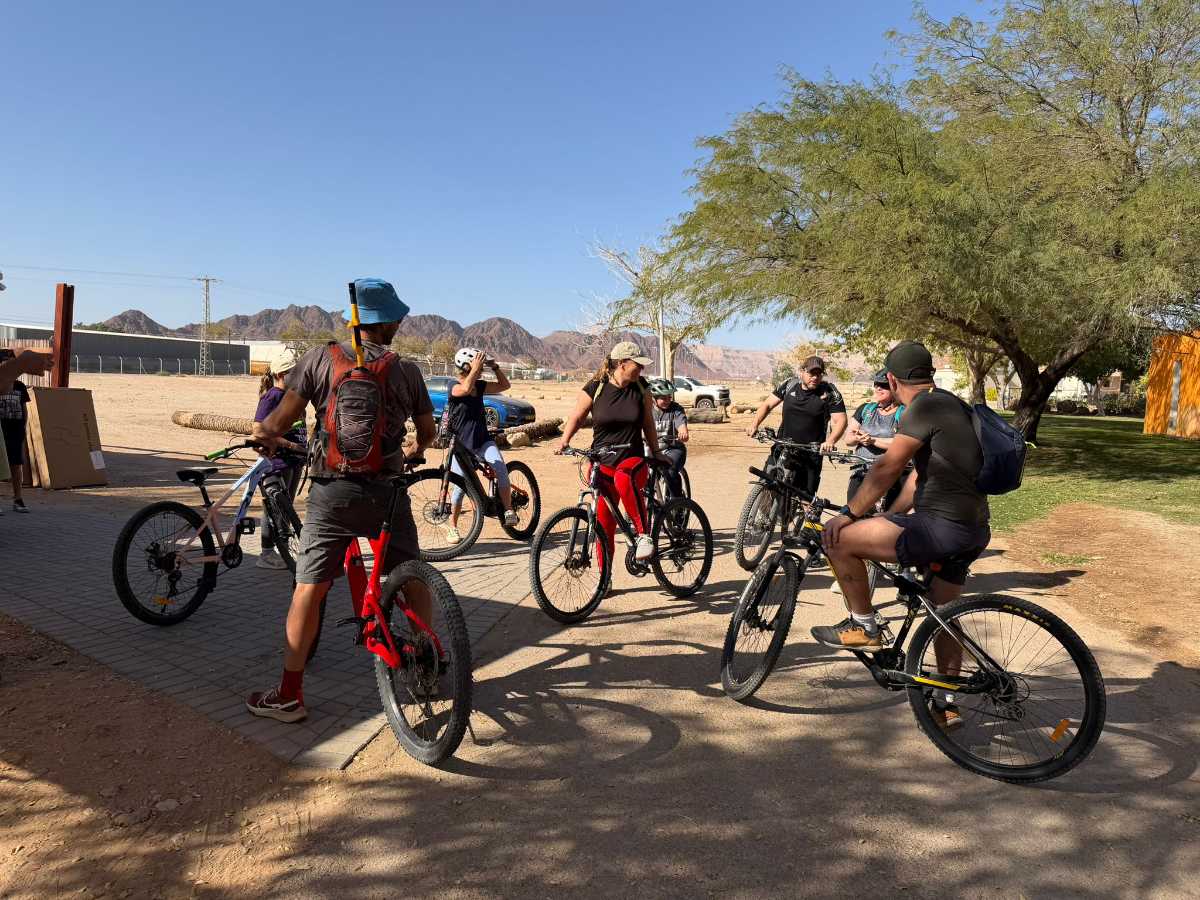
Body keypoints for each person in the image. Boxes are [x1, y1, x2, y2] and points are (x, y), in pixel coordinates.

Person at [247, 278, 436, 723]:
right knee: (411, 574)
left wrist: (264, 433)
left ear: (355, 321)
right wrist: (413, 451)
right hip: (389, 491)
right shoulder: (408, 371)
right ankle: (426, 661)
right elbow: (428, 433)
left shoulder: (320, 359)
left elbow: (280, 421)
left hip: (333, 493)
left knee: (309, 589)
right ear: (387, 322)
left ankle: (288, 695)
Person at [815, 341, 991, 729]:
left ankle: (864, 625)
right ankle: (946, 700)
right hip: (973, 529)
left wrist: (848, 515)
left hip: (940, 528)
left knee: (839, 540)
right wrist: (889, 516)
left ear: (893, 380)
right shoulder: (952, 404)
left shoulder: (922, 408)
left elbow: (888, 468)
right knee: (943, 614)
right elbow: (918, 476)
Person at [559, 341, 664, 564]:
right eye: (638, 364)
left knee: (623, 477)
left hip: (632, 459)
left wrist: (655, 451)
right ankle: (605, 577)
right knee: (604, 524)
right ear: (622, 364)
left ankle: (643, 535)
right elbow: (577, 416)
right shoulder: (596, 386)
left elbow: (648, 423)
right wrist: (564, 440)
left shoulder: (641, 388)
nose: (642, 368)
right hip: (602, 461)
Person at [746, 355, 848, 499]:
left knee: (806, 499)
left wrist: (830, 441)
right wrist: (754, 424)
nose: (815, 377)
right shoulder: (789, 384)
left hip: (810, 453)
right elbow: (767, 404)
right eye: (811, 373)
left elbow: (841, 420)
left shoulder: (829, 392)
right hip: (783, 446)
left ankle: (805, 510)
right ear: (802, 372)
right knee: (766, 488)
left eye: (819, 374)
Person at [444, 347, 518, 543]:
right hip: (461, 446)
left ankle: (508, 509)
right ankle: (452, 527)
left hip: (483, 441)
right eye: (476, 367)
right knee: (459, 488)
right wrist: (476, 368)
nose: (480, 370)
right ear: (466, 367)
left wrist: (495, 367)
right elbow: (465, 389)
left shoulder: (480, 385)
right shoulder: (453, 385)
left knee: (500, 468)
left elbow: (505, 385)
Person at [253, 346, 307, 570]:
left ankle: (282, 549)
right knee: (274, 507)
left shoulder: (293, 397)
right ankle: (267, 552)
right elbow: (258, 430)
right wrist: (289, 444)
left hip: (293, 461)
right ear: (281, 374)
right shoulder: (272, 397)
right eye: (294, 372)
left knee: (286, 508)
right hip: (277, 462)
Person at [844, 369, 907, 511]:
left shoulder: (903, 412)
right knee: (852, 512)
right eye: (876, 384)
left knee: (886, 517)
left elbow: (902, 443)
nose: (878, 388)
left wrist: (872, 440)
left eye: (884, 385)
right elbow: (848, 439)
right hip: (861, 470)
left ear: (894, 388)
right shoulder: (865, 409)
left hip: (890, 473)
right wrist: (858, 438)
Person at [0, 349, 32, 513]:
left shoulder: (20, 386)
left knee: (16, 465)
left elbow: (24, 409)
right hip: (1, 432)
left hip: (15, 431)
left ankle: (18, 499)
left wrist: (23, 428)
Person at [649, 378, 689, 499]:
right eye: (663, 398)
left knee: (670, 470)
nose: (667, 401)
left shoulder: (676, 409)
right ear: (653, 398)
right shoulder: (646, 410)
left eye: (669, 397)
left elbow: (681, 423)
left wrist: (683, 432)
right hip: (650, 449)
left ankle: (678, 503)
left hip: (673, 448)